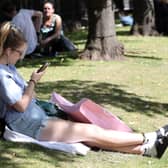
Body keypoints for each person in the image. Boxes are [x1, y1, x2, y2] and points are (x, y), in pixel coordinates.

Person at [0, 22, 168, 159]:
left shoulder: (9, 68)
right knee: (91, 132)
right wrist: (32, 81)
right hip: (28, 124)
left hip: (35, 117)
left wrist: (31, 86)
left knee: (87, 134)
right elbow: (21, 105)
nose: (21, 57)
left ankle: (146, 150)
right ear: (8, 51)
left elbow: (29, 97)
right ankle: (149, 137)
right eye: (19, 53)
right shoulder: (2, 74)